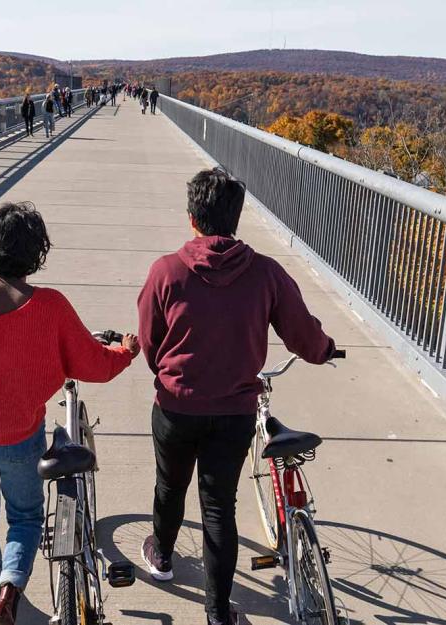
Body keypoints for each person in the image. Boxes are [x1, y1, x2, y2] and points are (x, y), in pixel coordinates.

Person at [137, 168, 337, 625]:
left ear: (192, 218)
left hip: (175, 406)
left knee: (170, 487)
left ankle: (162, 556)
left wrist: (168, 373)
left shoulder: (165, 271)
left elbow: (150, 341)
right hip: (234, 411)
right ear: (236, 219)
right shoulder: (266, 273)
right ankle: (216, 613)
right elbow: (304, 336)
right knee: (218, 505)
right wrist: (324, 350)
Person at [0, 201, 140, 625]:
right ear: (36, 253)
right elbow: (93, 365)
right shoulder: (50, 306)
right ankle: (11, 592)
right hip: (19, 438)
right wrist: (126, 351)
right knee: (26, 517)